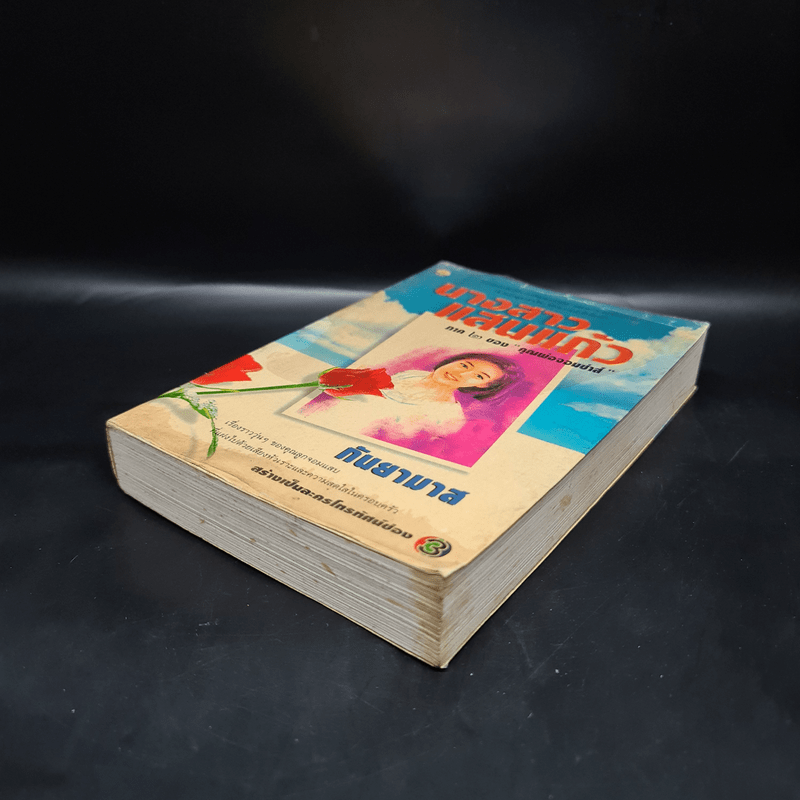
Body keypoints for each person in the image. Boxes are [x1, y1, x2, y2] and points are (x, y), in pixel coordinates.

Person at [302, 352, 521, 441]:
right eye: (465, 365)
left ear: (482, 386)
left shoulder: (447, 418)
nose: (461, 373)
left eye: (478, 376)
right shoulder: (409, 374)